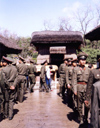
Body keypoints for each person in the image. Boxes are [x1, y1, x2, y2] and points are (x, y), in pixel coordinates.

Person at [72, 52, 90, 124]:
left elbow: (90, 81)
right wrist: (75, 90)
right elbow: (74, 80)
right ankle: (80, 118)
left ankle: (85, 117)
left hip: (86, 88)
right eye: (82, 60)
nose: (83, 61)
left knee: (87, 105)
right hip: (79, 87)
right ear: (79, 61)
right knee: (79, 105)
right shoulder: (75, 69)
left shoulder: (88, 70)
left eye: (84, 60)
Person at [85, 55, 100, 128]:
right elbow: (89, 86)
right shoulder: (94, 71)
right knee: (95, 112)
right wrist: (87, 98)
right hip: (95, 97)